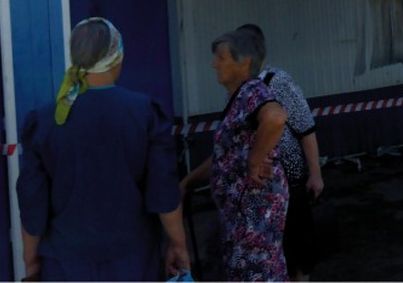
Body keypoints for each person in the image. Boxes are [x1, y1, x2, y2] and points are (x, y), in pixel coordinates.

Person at [16, 17, 189, 281]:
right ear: (117, 56)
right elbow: (163, 190)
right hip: (133, 260)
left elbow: (32, 200)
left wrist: (31, 259)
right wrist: (178, 243)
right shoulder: (145, 113)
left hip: (65, 262)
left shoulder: (44, 120)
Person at [180, 28, 289, 281]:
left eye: (221, 58)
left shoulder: (253, 91)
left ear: (245, 63)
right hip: (241, 217)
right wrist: (188, 182)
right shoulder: (239, 98)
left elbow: (275, 118)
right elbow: (225, 156)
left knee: (256, 273)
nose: (214, 64)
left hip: (253, 216)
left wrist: (254, 162)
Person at [238, 24, 324, 281]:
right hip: (260, 189)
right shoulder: (243, 89)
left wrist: (315, 174)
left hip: (290, 183)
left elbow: (306, 129)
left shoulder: (279, 82)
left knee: (297, 253)